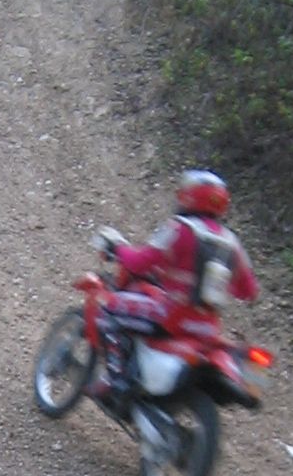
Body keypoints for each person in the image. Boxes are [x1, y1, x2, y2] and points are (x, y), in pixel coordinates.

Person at [89, 170, 258, 406]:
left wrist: (118, 248)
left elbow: (139, 262)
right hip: (208, 328)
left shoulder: (180, 228)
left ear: (188, 195)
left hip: (169, 315)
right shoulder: (232, 242)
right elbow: (248, 291)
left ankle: (115, 381)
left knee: (107, 308)